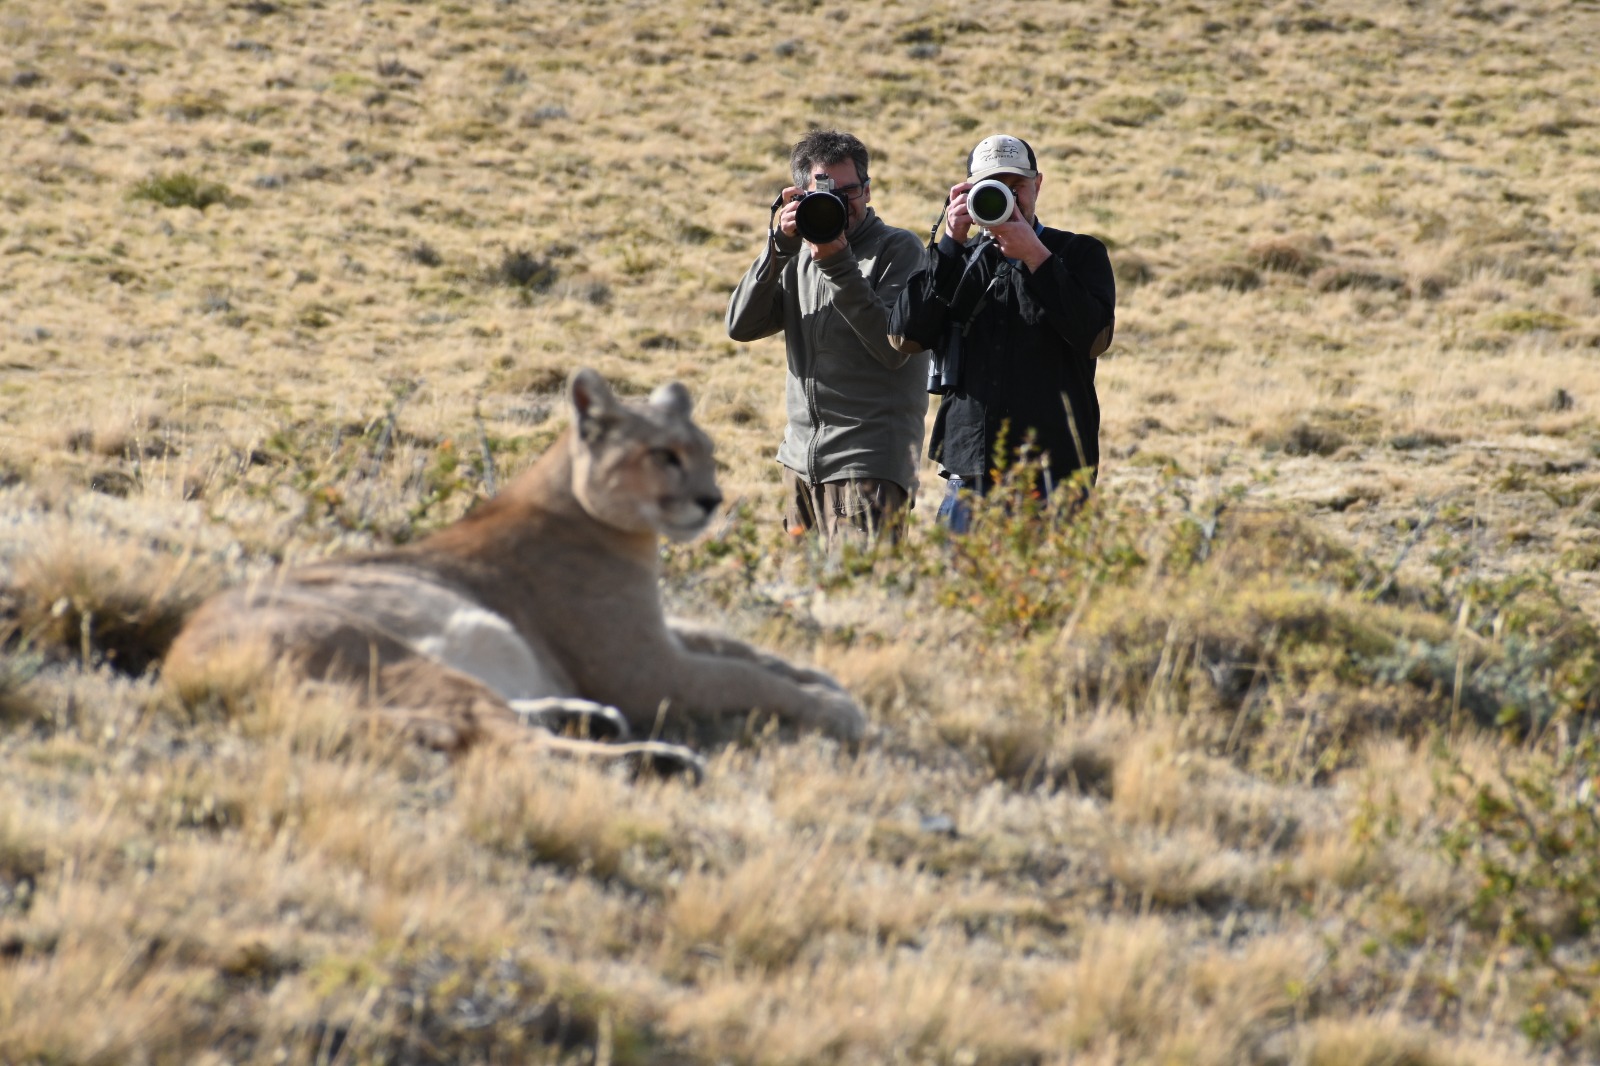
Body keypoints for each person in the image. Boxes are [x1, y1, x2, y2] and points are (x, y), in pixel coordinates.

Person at [887, 134, 1115, 530]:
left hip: (1055, 476)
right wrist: (951, 244)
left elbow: (1094, 337)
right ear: (969, 193)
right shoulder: (956, 259)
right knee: (960, 591)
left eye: (1018, 187)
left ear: (1038, 185)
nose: (1009, 199)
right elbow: (905, 337)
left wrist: (1036, 257)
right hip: (971, 473)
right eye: (994, 189)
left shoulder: (1079, 253)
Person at [727, 129, 929, 543]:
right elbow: (741, 326)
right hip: (800, 465)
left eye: (849, 192)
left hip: (867, 466)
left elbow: (894, 348)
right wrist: (778, 247)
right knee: (798, 599)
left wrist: (838, 266)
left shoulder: (899, 251)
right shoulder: (797, 256)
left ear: (868, 191)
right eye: (824, 193)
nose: (839, 204)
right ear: (797, 197)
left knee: (859, 600)